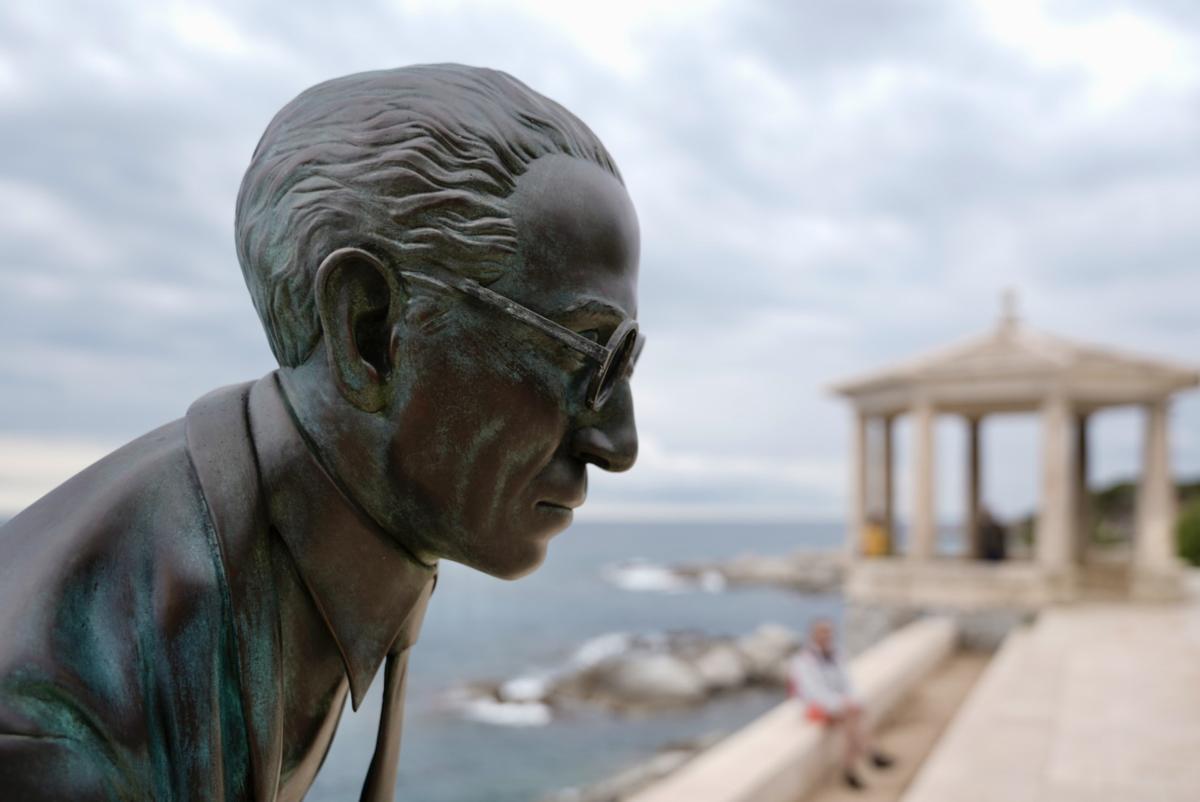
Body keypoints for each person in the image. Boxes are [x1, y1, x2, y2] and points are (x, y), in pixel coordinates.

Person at [0, 64, 641, 801]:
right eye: (582, 354)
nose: (618, 444)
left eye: (626, 361)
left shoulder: (343, 529)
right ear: (367, 330)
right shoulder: (56, 723)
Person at [790, 619, 894, 790]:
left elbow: (848, 684)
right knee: (852, 718)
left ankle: (851, 770)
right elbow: (813, 692)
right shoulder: (802, 661)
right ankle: (870, 754)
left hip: (838, 707)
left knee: (852, 720)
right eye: (821, 632)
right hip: (814, 708)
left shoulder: (837, 654)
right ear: (813, 635)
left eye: (827, 632)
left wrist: (851, 701)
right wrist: (841, 704)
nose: (825, 636)